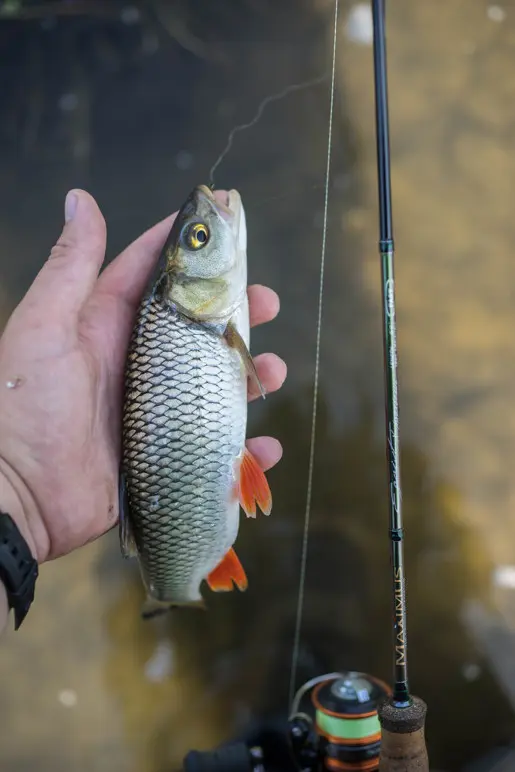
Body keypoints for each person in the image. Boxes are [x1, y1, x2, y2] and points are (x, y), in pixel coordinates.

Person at [0, 189, 287, 634]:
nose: (209, 227)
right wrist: (18, 491)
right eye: (200, 236)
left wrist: (22, 493)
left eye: (197, 237)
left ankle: (173, 588)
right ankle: (176, 588)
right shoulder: (198, 321)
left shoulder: (186, 318)